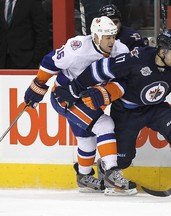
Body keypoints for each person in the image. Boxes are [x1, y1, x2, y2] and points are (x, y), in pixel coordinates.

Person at [55, 31, 171, 196]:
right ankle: (106, 170)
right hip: (126, 112)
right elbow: (100, 69)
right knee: (123, 160)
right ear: (162, 51)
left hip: (157, 108)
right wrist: (74, 89)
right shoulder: (137, 58)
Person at [23, 16, 137, 196]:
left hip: (87, 99)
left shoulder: (120, 50)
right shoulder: (77, 48)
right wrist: (38, 84)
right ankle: (112, 174)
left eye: (113, 36)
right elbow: (49, 61)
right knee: (104, 124)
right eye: (106, 37)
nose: (111, 41)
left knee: (86, 137)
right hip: (64, 97)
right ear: (95, 36)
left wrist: (106, 93)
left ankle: (84, 177)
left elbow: (123, 80)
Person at [0, 0, 49, 69]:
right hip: (3, 61)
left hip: (26, 60)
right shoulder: (1, 3)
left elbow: (42, 31)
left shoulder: (31, 2)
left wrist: (36, 58)